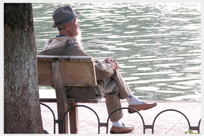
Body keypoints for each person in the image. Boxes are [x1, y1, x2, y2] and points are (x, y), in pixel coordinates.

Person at [39, 5, 157, 134]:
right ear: (67, 26)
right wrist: (110, 66)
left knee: (111, 75)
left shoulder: (51, 44)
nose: (78, 25)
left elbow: (85, 65)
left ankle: (128, 108)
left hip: (64, 88)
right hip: (80, 91)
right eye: (76, 22)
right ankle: (129, 105)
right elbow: (98, 72)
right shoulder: (70, 46)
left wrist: (102, 63)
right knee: (113, 77)